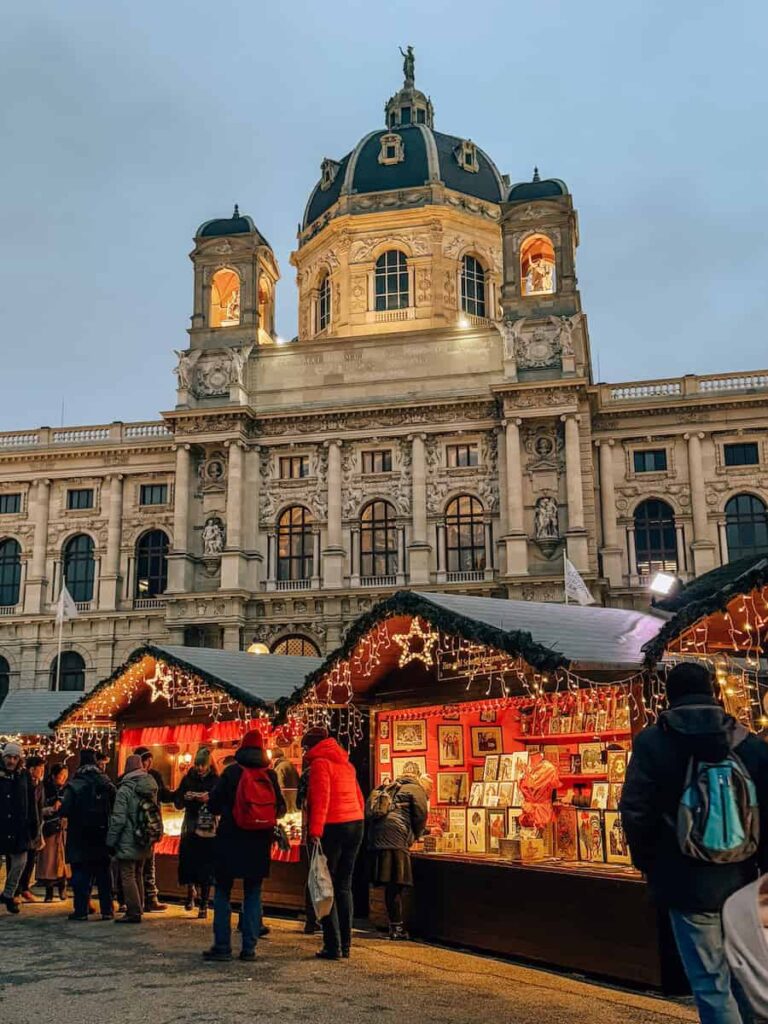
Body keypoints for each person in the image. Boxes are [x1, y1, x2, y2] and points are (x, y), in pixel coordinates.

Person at [620, 662, 768, 1024]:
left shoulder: (653, 742)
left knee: (709, 984)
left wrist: (651, 865)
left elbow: (635, 811)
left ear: (669, 695)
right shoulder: (749, 743)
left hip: (684, 881)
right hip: (744, 881)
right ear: (714, 692)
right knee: (748, 979)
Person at [204, 730, 285, 962]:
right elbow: (281, 808)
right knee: (253, 893)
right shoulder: (269, 775)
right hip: (259, 841)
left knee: (222, 892)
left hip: (230, 838)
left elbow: (214, 805)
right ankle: (249, 948)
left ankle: (222, 947)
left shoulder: (231, 773)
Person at [303, 727, 365, 960]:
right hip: (355, 824)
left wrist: (315, 831)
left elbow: (321, 799)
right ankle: (346, 945)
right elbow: (359, 797)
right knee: (344, 886)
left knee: (325, 885)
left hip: (334, 826)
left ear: (312, 747)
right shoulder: (346, 764)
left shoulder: (321, 764)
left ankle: (333, 945)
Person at [366, 770, 430, 940]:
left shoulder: (393, 787)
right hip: (396, 838)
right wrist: (417, 835)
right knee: (396, 884)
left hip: (379, 837)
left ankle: (394, 924)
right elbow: (421, 816)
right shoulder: (417, 790)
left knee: (391, 885)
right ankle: (397, 927)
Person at [60, 748, 116, 921]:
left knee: (81, 873)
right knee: (103, 873)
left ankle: (81, 910)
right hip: (101, 832)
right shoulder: (106, 782)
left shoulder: (75, 784)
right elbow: (115, 803)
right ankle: (107, 910)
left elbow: (65, 809)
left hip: (79, 834)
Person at [107, 753, 159, 924]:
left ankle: (133, 911)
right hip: (144, 837)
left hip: (128, 838)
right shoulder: (150, 787)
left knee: (127, 874)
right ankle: (140, 906)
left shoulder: (125, 790)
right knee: (138, 873)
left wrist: (111, 841)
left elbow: (118, 819)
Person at [174, 747, 218, 918]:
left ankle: (204, 903)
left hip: (207, 825)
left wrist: (209, 798)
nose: (200, 769)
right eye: (198, 765)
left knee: (206, 864)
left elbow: (220, 801)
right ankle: (190, 892)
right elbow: (178, 799)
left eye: (203, 765)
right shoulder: (187, 779)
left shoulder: (215, 780)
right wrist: (184, 798)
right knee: (189, 860)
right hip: (191, 824)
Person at [0, 743, 40, 913]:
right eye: (9, 757)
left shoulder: (23, 776)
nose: (11, 761)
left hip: (19, 825)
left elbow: (31, 802)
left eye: (15, 758)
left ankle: (9, 893)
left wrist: (34, 826)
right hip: (1, 824)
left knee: (20, 862)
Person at [133, 747, 174, 913]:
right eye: (145, 760)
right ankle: (136, 899)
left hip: (149, 826)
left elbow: (163, 795)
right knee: (136, 864)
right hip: (138, 825)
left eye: (150, 760)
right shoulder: (134, 778)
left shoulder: (154, 775)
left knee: (148, 863)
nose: (149, 763)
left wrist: (179, 795)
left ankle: (150, 898)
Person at [14, 755, 46, 903]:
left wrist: (39, 829)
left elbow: (40, 806)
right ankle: (15, 891)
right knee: (18, 860)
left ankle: (24, 888)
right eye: (40, 768)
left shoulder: (39, 784)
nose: (42, 771)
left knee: (30, 859)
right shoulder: (21, 781)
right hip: (21, 826)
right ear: (32, 769)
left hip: (35, 825)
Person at [37, 763, 69, 902]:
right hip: (50, 828)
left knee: (63, 860)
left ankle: (63, 887)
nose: (63, 778)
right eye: (61, 775)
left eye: (65, 776)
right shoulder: (45, 789)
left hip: (63, 828)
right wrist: (51, 809)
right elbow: (39, 808)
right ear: (54, 776)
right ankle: (49, 891)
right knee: (49, 861)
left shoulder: (67, 790)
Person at [271, 748, 300, 813]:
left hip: (286, 800)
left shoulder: (280, 767)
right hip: (294, 800)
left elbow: (279, 784)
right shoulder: (290, 764)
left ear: (274, 758)